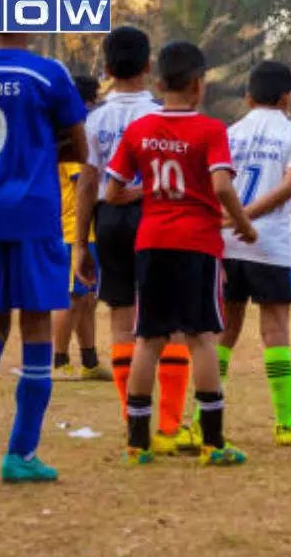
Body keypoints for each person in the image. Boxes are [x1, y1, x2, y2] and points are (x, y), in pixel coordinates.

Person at [88, 40, 258, 466]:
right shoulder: (210, 130)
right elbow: (220, 185)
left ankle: (137, 444)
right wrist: (242, 222)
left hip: (151, 241)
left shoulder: (140, 130)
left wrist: (155, 190)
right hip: (196, 243)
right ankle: (212, 443)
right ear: (199, 85)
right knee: (202, 336)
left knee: (148, 338)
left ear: (159, 81)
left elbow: (111, 190)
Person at [0, 31, 89, 488]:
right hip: (33, 210)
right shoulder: (48, 73)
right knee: (34, 325)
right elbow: (81, 148)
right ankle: (22, 453)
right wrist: (42, 151)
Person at [73, 26, 197, 456]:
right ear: (149, 67)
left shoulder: (95, 119)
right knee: (173, 321)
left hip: (108, 222)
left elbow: (87, 184)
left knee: (121, 319)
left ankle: (134, 423)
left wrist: (78, 243)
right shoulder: (163, 115)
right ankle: (169, 424)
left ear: (107, 69)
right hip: (157, 215)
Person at [216, 60, 291, 446]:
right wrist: (247, 218)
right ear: (287, 97)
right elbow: (288, 187)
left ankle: (203, 420)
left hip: (226, 242)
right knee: (275, 332)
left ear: (248, 96)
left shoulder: (229, 133)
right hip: (268, 244)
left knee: (225, 332)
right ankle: (286, 422)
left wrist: (232, 219)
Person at [52, 74, 112, 382]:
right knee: (73, 298)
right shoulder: (72, 138)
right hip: (74, 230)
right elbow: (84, 182)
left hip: (90, 230)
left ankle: (89, 360)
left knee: (87, 299)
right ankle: (59, 362)